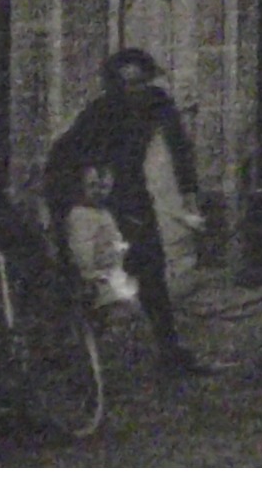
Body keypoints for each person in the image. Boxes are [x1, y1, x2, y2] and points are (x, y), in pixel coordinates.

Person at [44, 48, 209, 373]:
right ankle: (70, 348)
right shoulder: (101, 111)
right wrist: (78, 192)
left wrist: (189, 192)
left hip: (131, 191)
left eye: (140, 82)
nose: (135, 90)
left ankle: (169, 350)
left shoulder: (158, 103)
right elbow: (67, 154)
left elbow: (179, 147)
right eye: (127, 84)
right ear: (115, 85)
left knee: (151, 267)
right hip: (96, 194)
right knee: (88, 270)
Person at [64, 163, 140, 309]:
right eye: (92, 186)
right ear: (82, 186)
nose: (98, 191)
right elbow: (82, 252)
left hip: (115, 274)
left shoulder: (104, 213)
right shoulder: (80, 215)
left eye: (104, 187)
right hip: (99, 281)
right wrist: (94, 276)